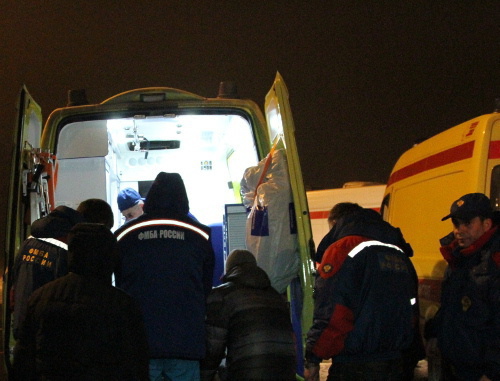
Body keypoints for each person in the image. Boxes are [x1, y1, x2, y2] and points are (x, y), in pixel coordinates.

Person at [12, 223, 149, 380]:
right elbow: (136, 364)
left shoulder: (41, 298)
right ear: (109, 257)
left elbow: (24, 360)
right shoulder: (123, 305)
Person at [115, 172, 215, 381]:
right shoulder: (200, 235)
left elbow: (120, 286)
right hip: (185, 342)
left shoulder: (125, 235)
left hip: (139, 344)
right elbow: (206, 288)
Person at [304, 207, 419, 381]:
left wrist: (313, 357)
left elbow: (333, 312)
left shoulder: (343, 249)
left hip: (356, 366)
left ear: (336, 224)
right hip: (396, 363)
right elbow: (411, 312)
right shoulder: (398, 254)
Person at [425, 193, 500, 380]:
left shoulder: (494, 262)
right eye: (456, 223)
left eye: (467, 223)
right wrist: (434, 332)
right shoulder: (458, 259)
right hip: (456, 367)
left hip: (482, 373)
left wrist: (492, 371)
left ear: (487, 224)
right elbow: (453, 308)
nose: (459, 230)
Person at [200, 249, 296, 381]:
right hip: (287, 373)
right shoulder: (276, 296)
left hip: (247, 374)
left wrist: (205, 375)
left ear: (230, 269)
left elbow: (213, 347)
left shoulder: (222, 295)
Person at [10, 205, 83, 340]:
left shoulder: (27, 243)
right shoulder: (64, 250)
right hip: (45, 333)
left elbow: (14, 286)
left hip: (21, 325)